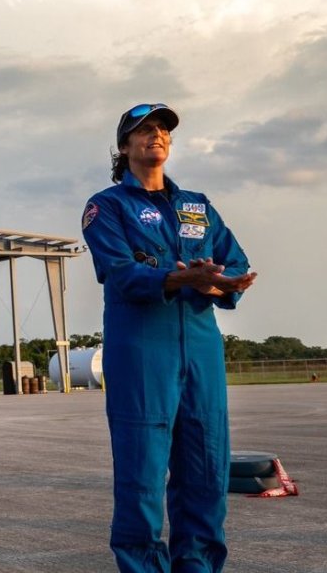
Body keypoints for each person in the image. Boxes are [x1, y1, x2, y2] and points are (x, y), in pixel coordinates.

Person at [82, 103, 257, 572]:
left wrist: (219, 281)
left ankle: (197, 566)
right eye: (142, 130)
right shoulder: (108, 207)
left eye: (161, 130)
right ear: (124, 146)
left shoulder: (195, 205)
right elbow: (121, 274)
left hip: (200, 350)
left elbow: (235, 261)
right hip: (142, 354)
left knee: (206, 470)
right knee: (141, 477)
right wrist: (177, 279)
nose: (154, 136)